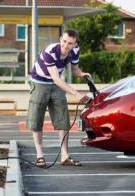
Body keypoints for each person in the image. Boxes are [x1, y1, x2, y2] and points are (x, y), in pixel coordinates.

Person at [26, 29, 90, 168]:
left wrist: (83, 74)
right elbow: (56, 78)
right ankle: (40, 156)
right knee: (36, 120)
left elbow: (75, 70)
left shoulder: (75, 50)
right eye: (64, 41)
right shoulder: (50, 51)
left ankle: (65, 156)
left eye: (70, 43)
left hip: (56, 84)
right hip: (40, 82)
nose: (66, 46)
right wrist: (76, 94)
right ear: (61, 38)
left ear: (75, 44)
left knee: (63, 119)